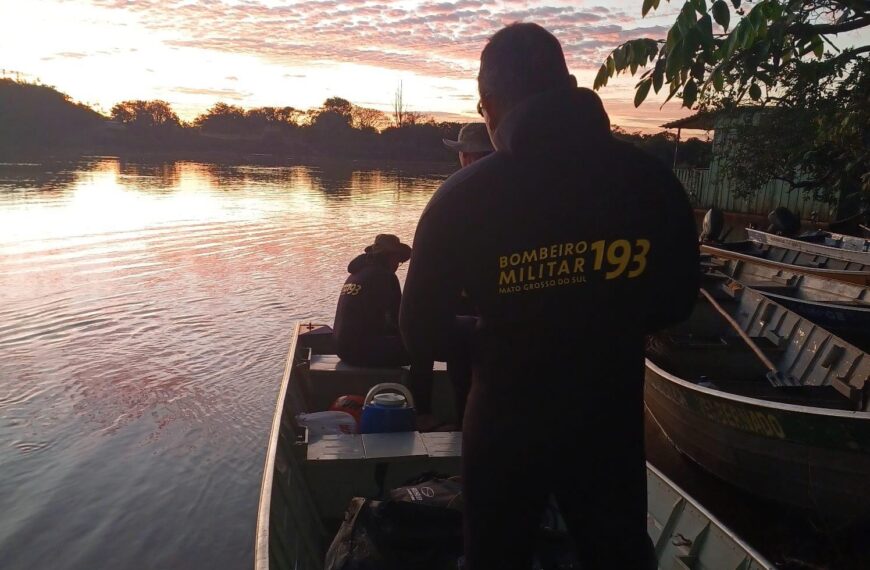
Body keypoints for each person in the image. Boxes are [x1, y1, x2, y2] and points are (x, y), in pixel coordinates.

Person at [400, 23, 699, 570]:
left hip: (505, 422)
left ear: (489, 105)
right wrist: (600, 312)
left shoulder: (462, 199)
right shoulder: (651, 183)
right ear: (569, 83)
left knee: (494, 556)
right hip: (607, 419)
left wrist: (490, 330)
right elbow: (677, 302)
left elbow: (418, 329)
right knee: (618, 557)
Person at [333, 234, 435, 416]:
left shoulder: (357, 273)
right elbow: (400, 322)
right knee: (423, 351)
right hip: (359, 349)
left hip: (341, 347)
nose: (398, 265)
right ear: (389, 256)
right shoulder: (385, 277)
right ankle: (422, 414)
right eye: (397, 260)